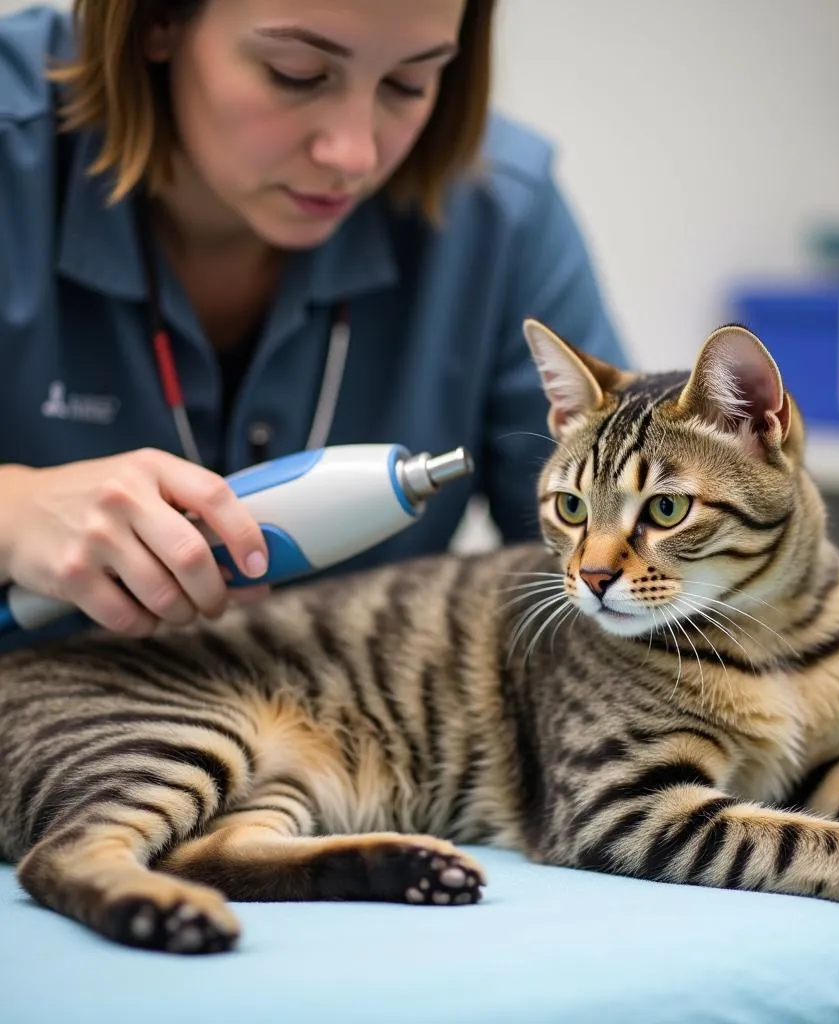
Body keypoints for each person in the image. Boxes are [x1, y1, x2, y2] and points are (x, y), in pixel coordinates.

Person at [0, 0, 629, 651]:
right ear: (157, 20)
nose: (353, 155)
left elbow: (620, 559)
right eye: (296, 73)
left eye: (409, 83)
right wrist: (13, 512)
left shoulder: (504, 214)